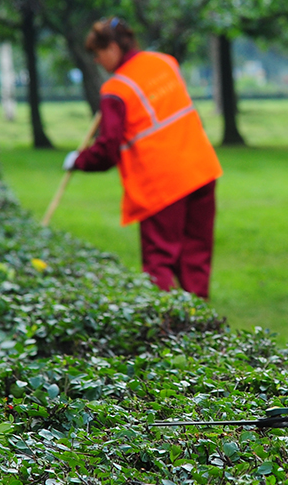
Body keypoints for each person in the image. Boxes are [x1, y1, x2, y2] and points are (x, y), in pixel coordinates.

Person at [63, 17, 222, 299]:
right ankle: (200, 327)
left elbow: (107, 150)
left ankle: (166, 332)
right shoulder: (165, 62)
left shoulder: (116, 91)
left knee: (159, 261)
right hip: (200, 169)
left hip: (162, 185)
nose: (98, 62)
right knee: (195, 255)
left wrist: (78, 160)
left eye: (98, 54)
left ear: (112, 47)